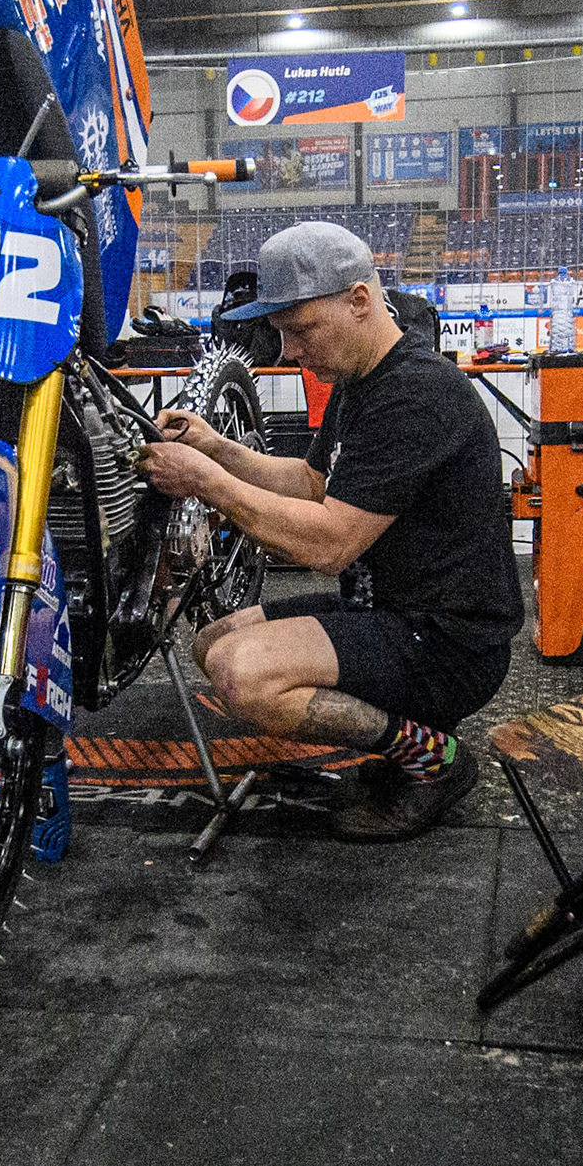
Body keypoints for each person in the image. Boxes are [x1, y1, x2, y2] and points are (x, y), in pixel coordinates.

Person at [139, 222, 524, 842]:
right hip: (388, 611)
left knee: (245, 674)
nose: (290, 352)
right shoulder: (362, 382)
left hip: (449, 644)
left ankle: (435, 760)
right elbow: (314, 483)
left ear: (360, 300)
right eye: (284, 333)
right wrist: (216, 450)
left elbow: (328, 542)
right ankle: (397, 740)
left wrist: (205, 482)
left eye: (301, 330)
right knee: (214, 642)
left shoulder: (416, 394)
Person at [546, 265, 580, 353]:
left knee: (563, 327)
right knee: (563, 327)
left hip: (562, 313)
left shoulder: (555, 282)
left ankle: (560, 346)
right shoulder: (568, 282)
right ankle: (566, 346)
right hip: (562, 313)